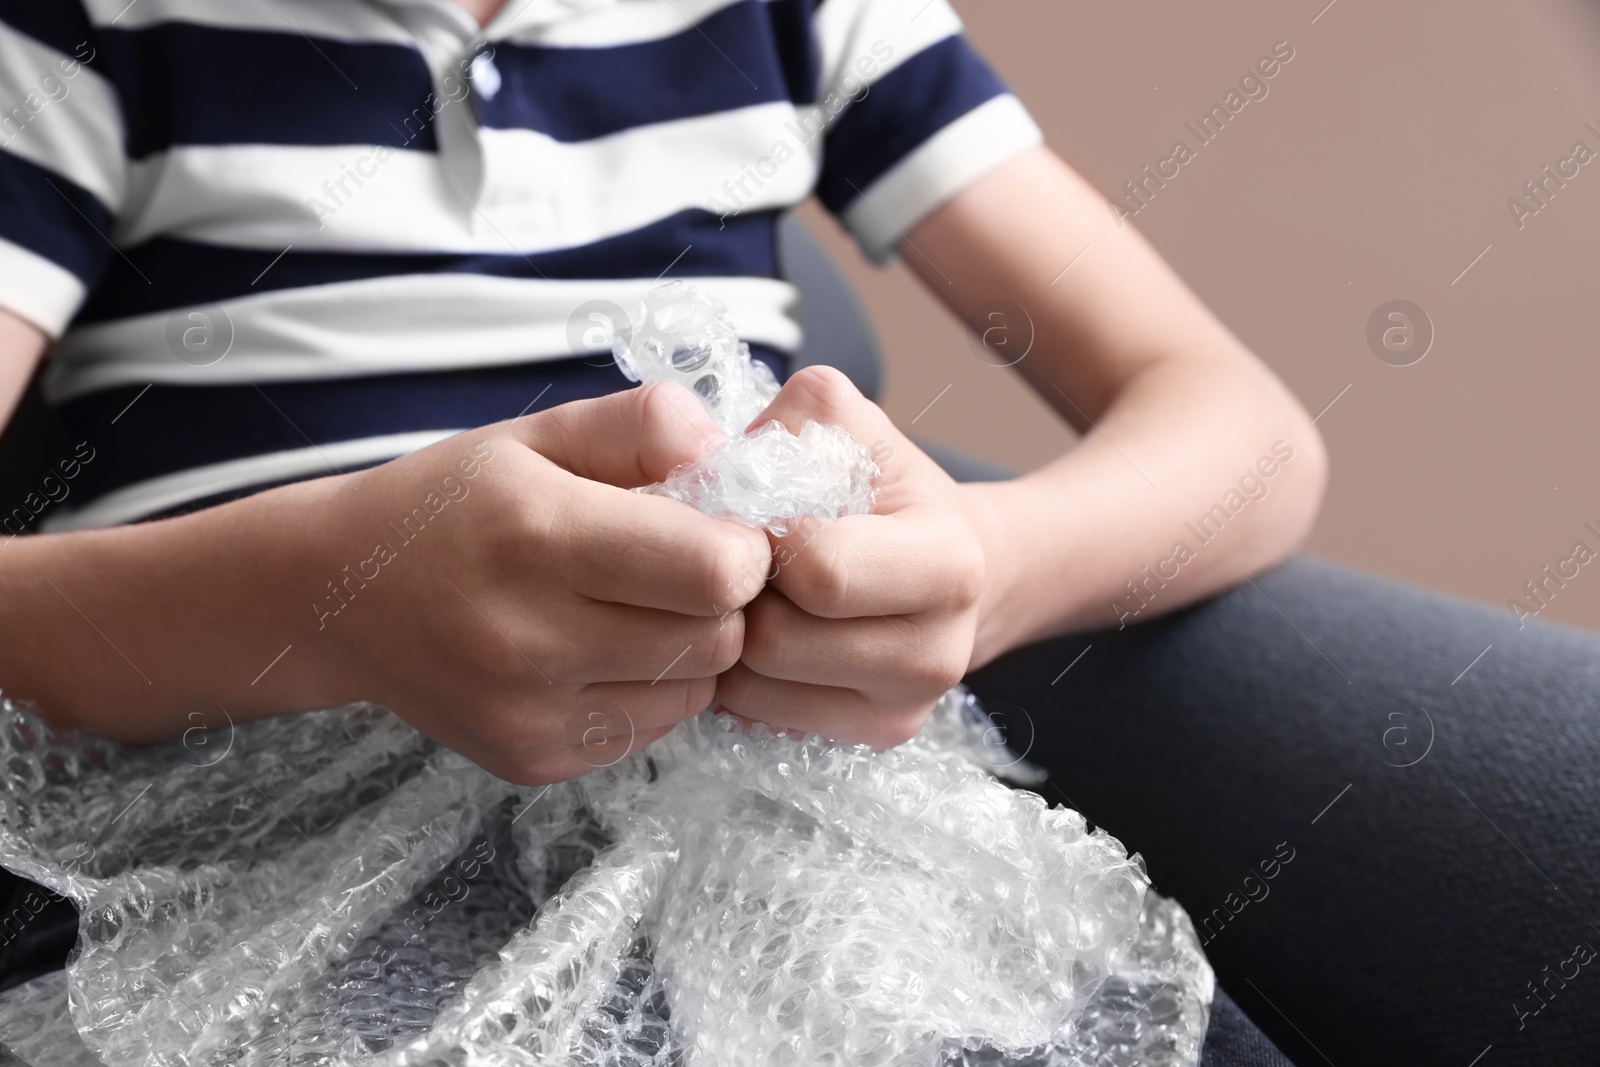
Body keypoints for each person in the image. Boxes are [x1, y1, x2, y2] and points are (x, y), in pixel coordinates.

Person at [2, 1, 1596, 1065]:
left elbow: (1241, 433)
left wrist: (986, 570)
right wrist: (333, 597)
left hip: (804, 809)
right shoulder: (83, 35)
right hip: (255, 830)